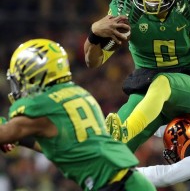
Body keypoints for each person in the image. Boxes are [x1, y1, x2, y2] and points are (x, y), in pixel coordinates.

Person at [83, 0, 190, 152]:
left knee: (162, 82)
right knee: (109, 151)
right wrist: (94, 34)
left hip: (188, 89)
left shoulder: (189, 7)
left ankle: (126, 131)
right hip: (147, 94)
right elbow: (94, 61)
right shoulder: (126, 13)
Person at [1, 39, 156, 191]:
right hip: (128, 181)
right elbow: (61, 147)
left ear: (34, 76)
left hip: (116, 184)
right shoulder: (78, 93)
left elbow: (6, 133)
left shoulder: (42, 105)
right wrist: (19, 138)